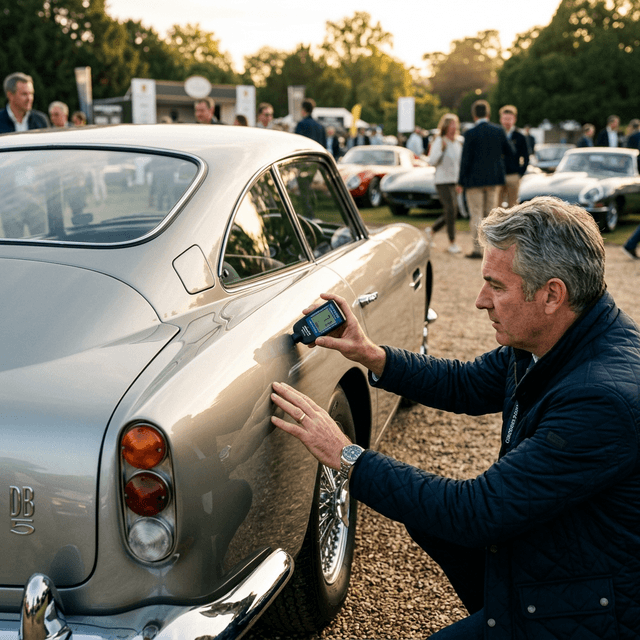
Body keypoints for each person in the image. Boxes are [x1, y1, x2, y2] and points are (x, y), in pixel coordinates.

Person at [270, 195, 640, 639]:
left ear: (552, 294)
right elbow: (465, 384)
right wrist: (372, 354)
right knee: (424, 516)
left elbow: (475, 512)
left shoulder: (600, 399)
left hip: (595, 608)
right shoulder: (556, 339)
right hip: (561, 556)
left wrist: (347, 456)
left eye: (496, 286)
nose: (481, 301)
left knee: (437, 516)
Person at [457, 99, 515, 259]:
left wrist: (461, 181)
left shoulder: (470, 133)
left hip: (474, 181)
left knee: (476, 214)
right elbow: (510, 152)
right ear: (488, 114)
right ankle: (490, 249)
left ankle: (478, 249)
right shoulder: (498, 131)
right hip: (493, 179)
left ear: (474, 115)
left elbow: (465, 160)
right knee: (490, 215)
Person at [427, 113, 463, 254]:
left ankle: (431, 231)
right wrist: (441, 150)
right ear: (446, 126)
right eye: (451, 124)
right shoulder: (439, 141)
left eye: (455, 124)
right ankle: (452, 242)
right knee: (450, 210)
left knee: (452, 211)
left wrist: (460, 182)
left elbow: (458, 164)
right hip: (442, 181)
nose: (454, 127)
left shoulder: (457, 143)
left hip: (454, 181)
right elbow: (432, 161)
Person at [498, 105, 529, 208]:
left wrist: (520, 173)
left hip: (513, 176)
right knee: (496, 206)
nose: (507, 122)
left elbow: (526, 157)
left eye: (509, 119)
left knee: (513, 207)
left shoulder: (520, 137)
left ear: (514, 119)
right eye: (505, 119)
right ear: (501, 119)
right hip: (498, 176)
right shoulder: (496, 135)